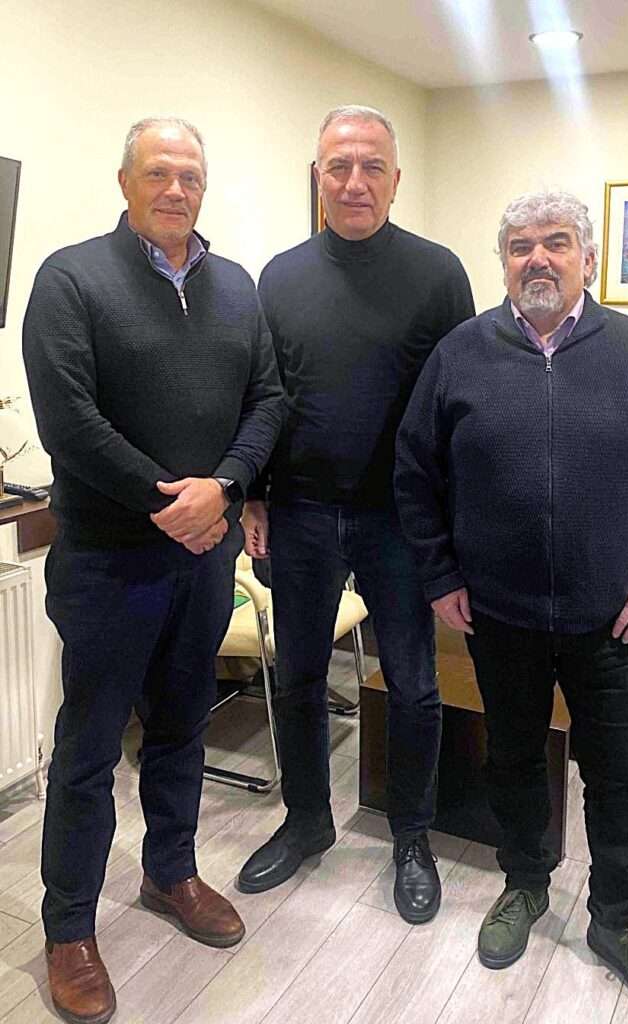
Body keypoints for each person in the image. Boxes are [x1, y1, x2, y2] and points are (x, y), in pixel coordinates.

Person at [395, 191, 628, 1021]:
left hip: (612, 620)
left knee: (619, 777)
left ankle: (618, 918)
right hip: (497, 615)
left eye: (556, 242)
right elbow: (414, 476)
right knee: (510, 758)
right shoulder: (460, 354)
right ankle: (524, 883)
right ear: (502, 262)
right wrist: (438, 575)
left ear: (587, 259)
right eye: (519, 245)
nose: (536, 258)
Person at [23, 117, 284, 1024]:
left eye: (191, 176)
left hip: (203, 563)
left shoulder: (236, 285)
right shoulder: (71, 279)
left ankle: (170, 872)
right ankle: (69, 928)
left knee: (181, 728)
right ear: (125, 181)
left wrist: (227, 486)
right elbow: (68, 420)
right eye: (159, 173)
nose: (177, 189)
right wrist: (170, 503)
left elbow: (268, 398)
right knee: (91, 749)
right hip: (109, 562)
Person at [237, 105, 475, 923]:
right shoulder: (279, 277)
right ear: (318, 177)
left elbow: (458, 403)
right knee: (299, 678)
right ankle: (307, 821)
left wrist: (452, 524)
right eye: (338, 166)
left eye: (371, 166)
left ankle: (410, 837)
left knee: (413, 686)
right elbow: (264, 395)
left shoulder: (438, 273)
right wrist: (254, 493)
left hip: (400, 521)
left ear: (395, 180)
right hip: (300, 513)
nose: (354, 181)